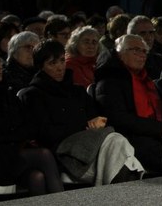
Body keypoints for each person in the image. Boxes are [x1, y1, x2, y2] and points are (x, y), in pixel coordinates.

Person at [20, 41, 144, 185]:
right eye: (52, 63)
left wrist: (96, 123)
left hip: (93, 146)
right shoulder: (33, 95)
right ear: (40, 67)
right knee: (123, 157)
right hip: (67, 154)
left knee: (117, 145)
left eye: (61, 61)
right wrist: (85, 125)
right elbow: (46, 134)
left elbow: (97, 118)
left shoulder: (77, 91)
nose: (60, 67)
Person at [94, 34, 162, 175]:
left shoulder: (146, 80)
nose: (142, 55)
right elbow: (118, 119)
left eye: (144, 51)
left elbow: (160, 111)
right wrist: (160, 128)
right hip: (129, 137)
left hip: (154, 133)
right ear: (120, 53)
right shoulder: (109, 81)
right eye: (136, 50)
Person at [0, 58, 65, 196]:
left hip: (14, 149)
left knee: (37, 177)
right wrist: (15, 136)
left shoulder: (7, 92)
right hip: (3, 153)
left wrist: (16, 136)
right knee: (44, 155)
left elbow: (28, 124)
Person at [4, 31, 41, 96]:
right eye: (28, 47)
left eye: (36, 48)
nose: (32, 51)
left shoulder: (41, 74)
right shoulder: (4, 76)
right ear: (14, 51)